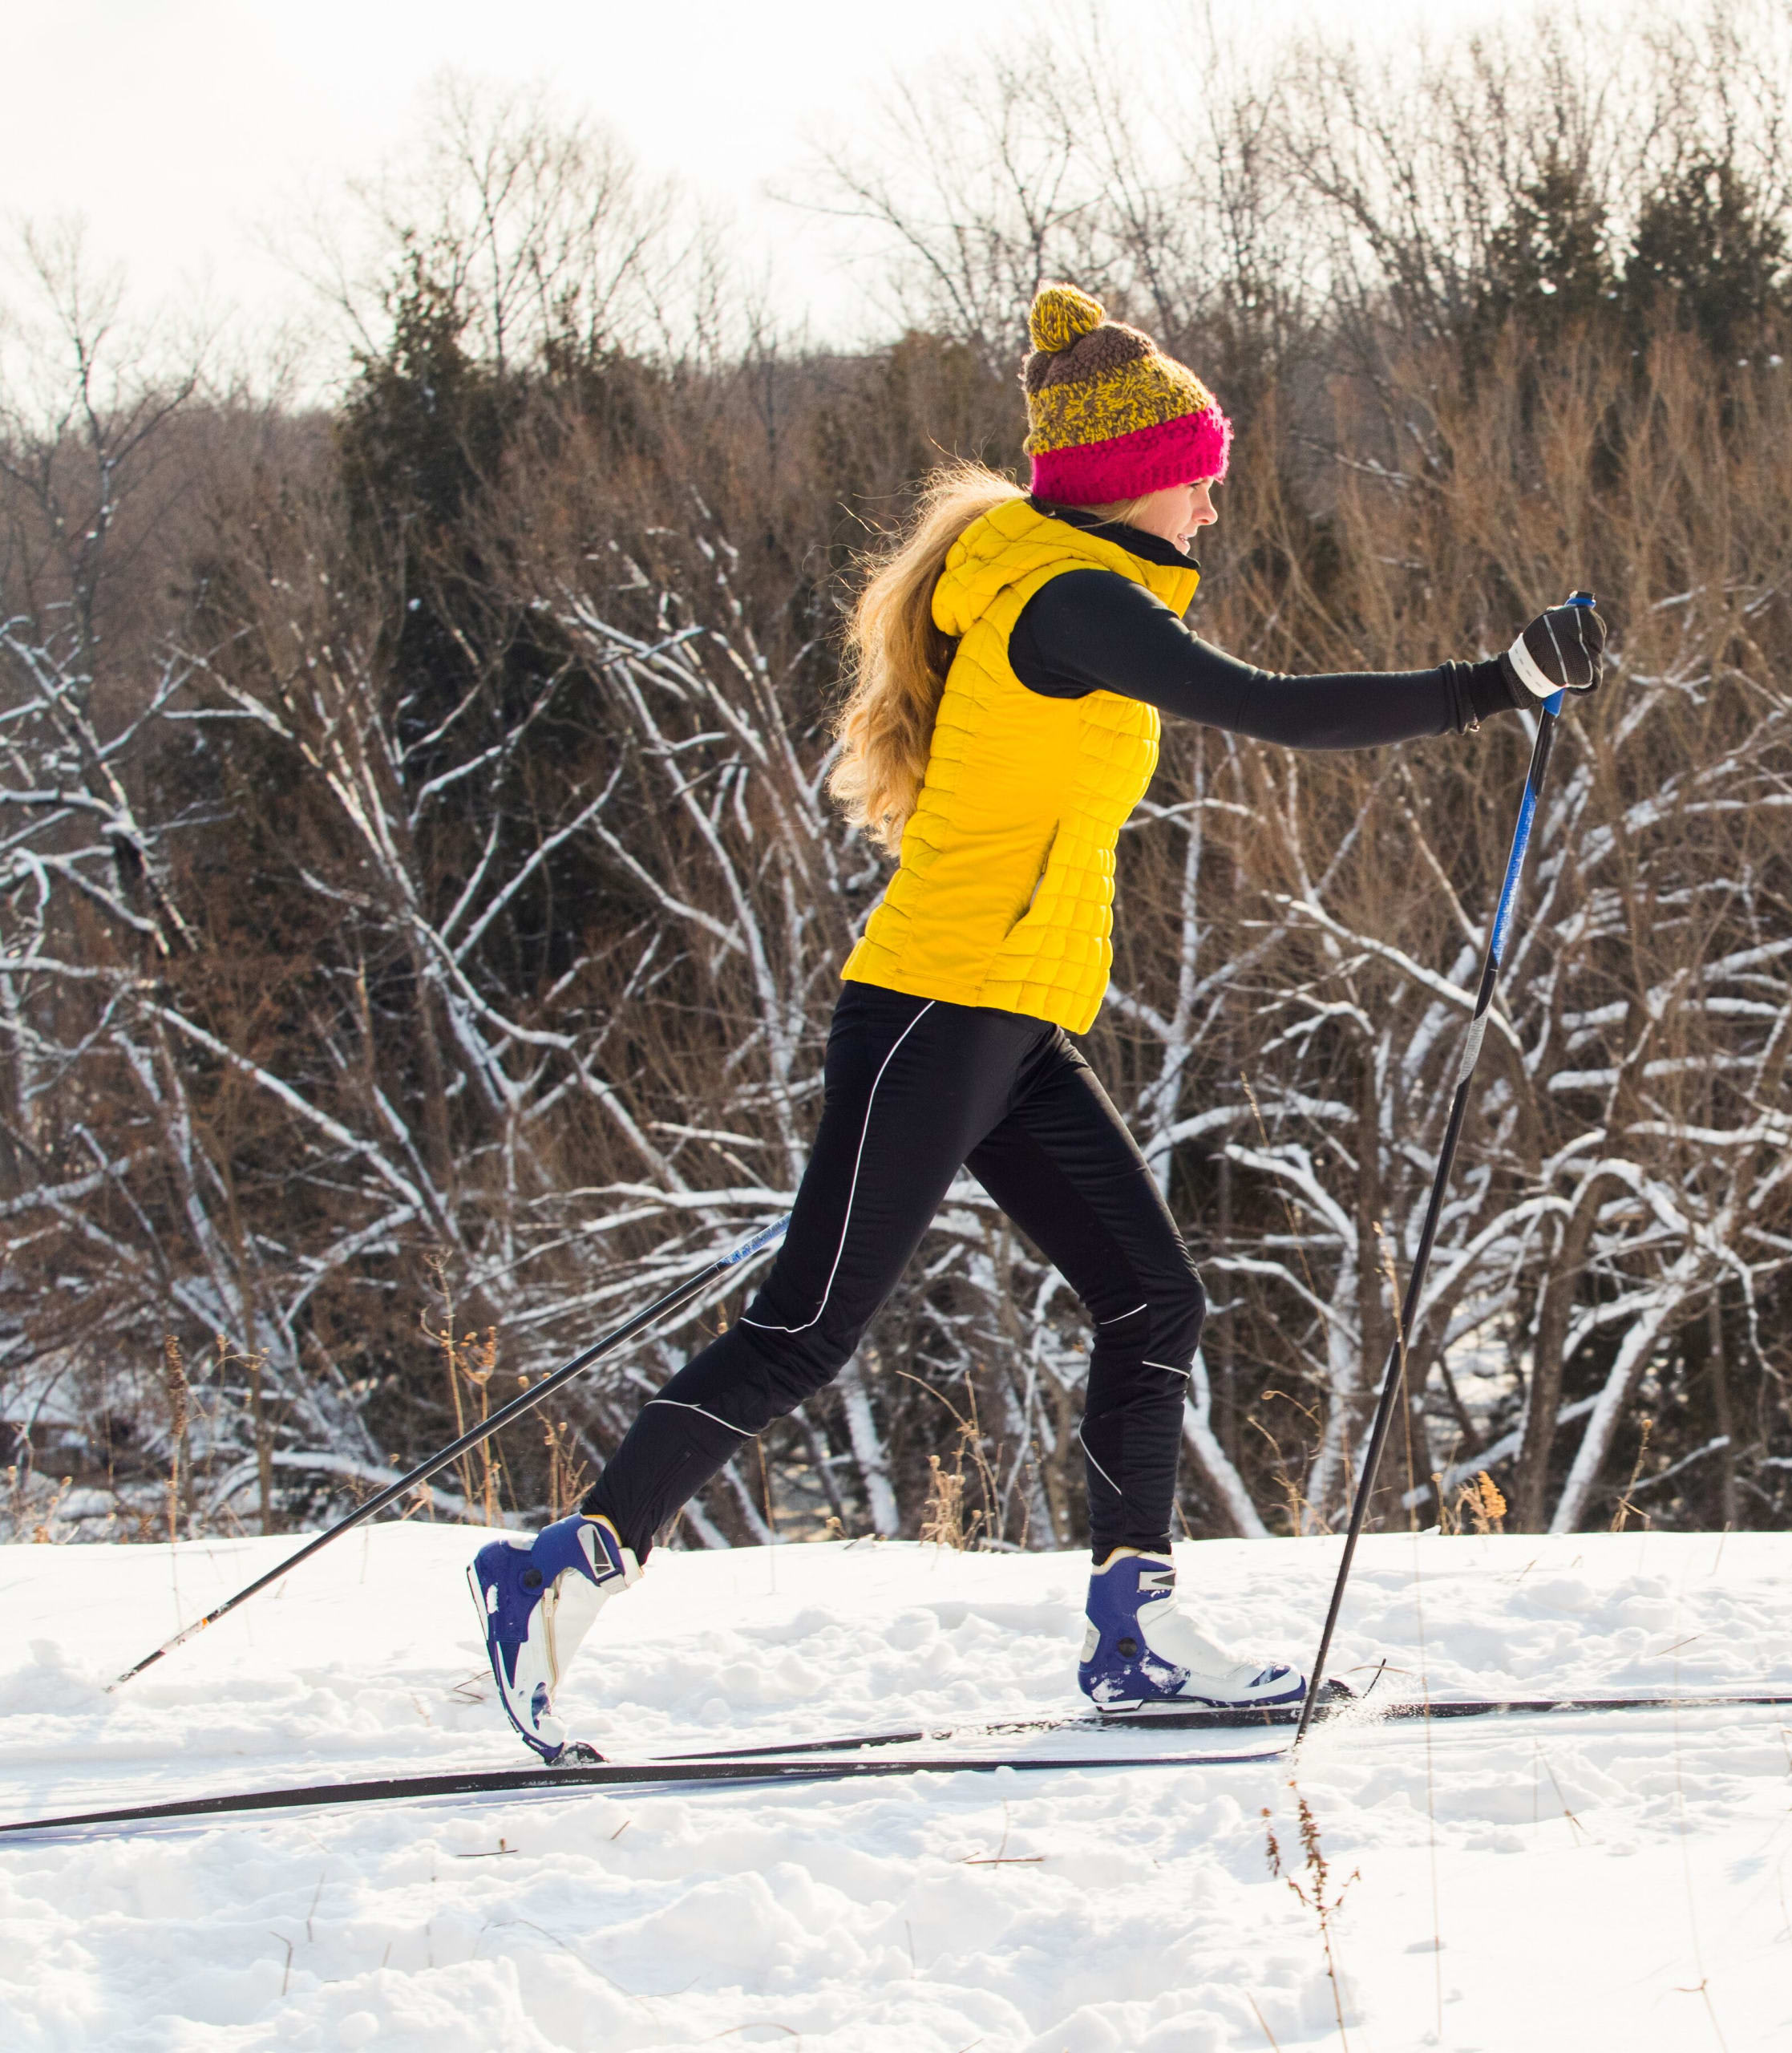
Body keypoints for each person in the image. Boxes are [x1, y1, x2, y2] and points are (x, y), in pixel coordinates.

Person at [468, 281, 1611, 1762]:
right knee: (807, 1330)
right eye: (1202, 468)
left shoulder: (1061, 585)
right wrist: (1494, 685)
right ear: (1139, 474)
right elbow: (1267, 709)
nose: (1215, 500)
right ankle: (558, 1575)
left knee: (1153, 1296)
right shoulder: (1070, 602)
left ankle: (1133, 1634)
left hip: (1006, 1021)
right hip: (936, 1009)